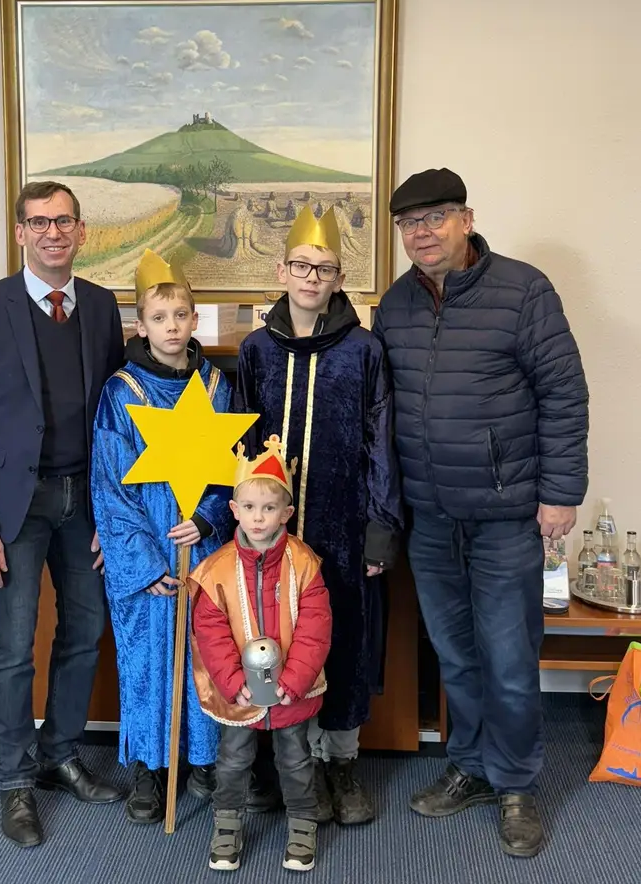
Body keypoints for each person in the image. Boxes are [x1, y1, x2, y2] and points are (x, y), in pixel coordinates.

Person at [370, 167, 588, 858]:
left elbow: (564, 394)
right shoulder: (395, 305)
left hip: (505, 515)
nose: (421, 233)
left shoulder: (523, 290)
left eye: (434, 218)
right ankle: (468, 764)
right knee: (456, 656)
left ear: (466, 219)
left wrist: (561, 493)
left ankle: (517, 784)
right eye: (409, 223)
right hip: (430, 517)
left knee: (510, 658)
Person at [0, 180, 128, 848]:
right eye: (39, 222)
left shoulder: (104, 308)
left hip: (85, 498)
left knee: (85, 630)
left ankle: (60, 753)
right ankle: (14, 780)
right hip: (13, 508)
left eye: (65, 221)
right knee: (12, 646)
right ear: (20, 232)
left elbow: (116, 417)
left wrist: (116, 513)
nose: (53, 233)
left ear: (82, 233)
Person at [234, 206, 400, 825]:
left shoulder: (362, 351)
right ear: (281, 270)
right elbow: (243, 443)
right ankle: (284, 762)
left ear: (338, 278)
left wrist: (380, 530)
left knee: (344, 638)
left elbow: (381, 441)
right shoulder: (256, 351)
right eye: (301, 265)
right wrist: (248, 524)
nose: (310, 276)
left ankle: (341, 764)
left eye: (324, 268)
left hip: (344, 526)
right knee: (276, 637)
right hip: (272, 532)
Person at [90, 250, 232, 823]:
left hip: (201, 549)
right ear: (141, 326)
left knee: (205, 653)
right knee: (149, 660)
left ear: (195, 319)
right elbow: (110, 489)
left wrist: (208, 520)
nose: (172, 328)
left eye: (181, 316)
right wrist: (145, 565)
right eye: (159, 318)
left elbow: (232, 472)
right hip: (150, 555)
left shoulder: (218, 385)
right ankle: (151, 768)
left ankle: (202, 761)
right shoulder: (123, 393)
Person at [189, 435, 332, 873]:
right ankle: (227, 825)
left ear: (286, 513)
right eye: (248, 507)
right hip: (240, 697)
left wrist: (293, 683)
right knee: (232, 761)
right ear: (234, 510)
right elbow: (210, 635)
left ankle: (303, 824)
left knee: (296, 759)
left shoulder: (305, 563)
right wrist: (235, 685)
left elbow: (314, 631)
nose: (258, 516)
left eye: (269, 508)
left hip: (293, 692)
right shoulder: (214, 570)